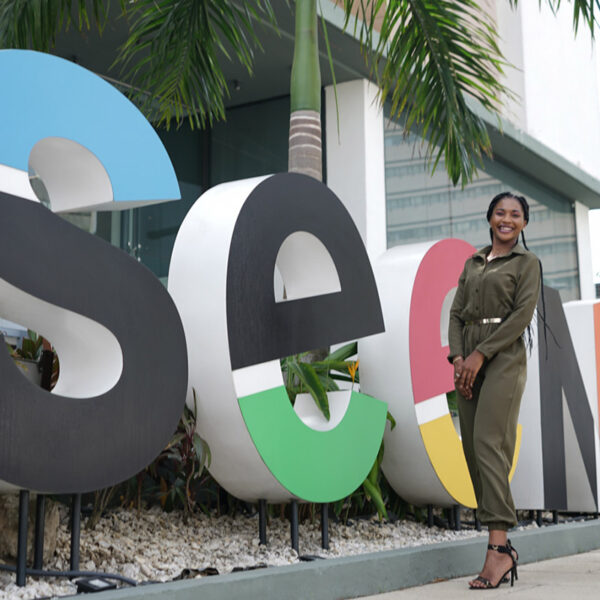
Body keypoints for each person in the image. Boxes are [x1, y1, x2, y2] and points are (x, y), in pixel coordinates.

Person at [448, 192, 541, 589]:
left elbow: (521, 316)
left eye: (515, 214)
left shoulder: (527, 263)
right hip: (467, 361)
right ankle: (501, 546)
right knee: (472, 447)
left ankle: (498, 551)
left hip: (502, 357)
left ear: (523, 224)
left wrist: (481, 354)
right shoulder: (472, 262)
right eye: (500, 213)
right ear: (489, 218)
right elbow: (455, 313)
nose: (507, 219)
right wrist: (457, 358)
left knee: (489, 442)